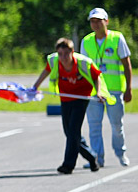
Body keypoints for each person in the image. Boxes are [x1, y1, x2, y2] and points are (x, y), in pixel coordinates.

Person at [32, 38, 109, 174]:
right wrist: (35, 86)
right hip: (66, 97)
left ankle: (68, 165)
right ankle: (91, 157)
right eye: (60, 54)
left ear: (72, 52)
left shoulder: (83, 63)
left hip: (81, 98)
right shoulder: (54, 61)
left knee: (73, 130)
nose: (63, 58)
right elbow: (46, 71)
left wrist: (98, 93)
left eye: (66, 54)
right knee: (70, 132)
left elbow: (97, 77)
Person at [80, 7, 132, 167]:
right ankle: (97, 158)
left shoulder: (117, 38)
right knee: (94, 126)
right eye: (92, 21)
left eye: (98, 21)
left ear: (106, 21)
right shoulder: (86, 41)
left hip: (114, 90)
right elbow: (83, 67)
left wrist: (128, 88)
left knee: (117, 125)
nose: (95, 24)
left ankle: (120, 153)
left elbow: (126, 64)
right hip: (94, 92)